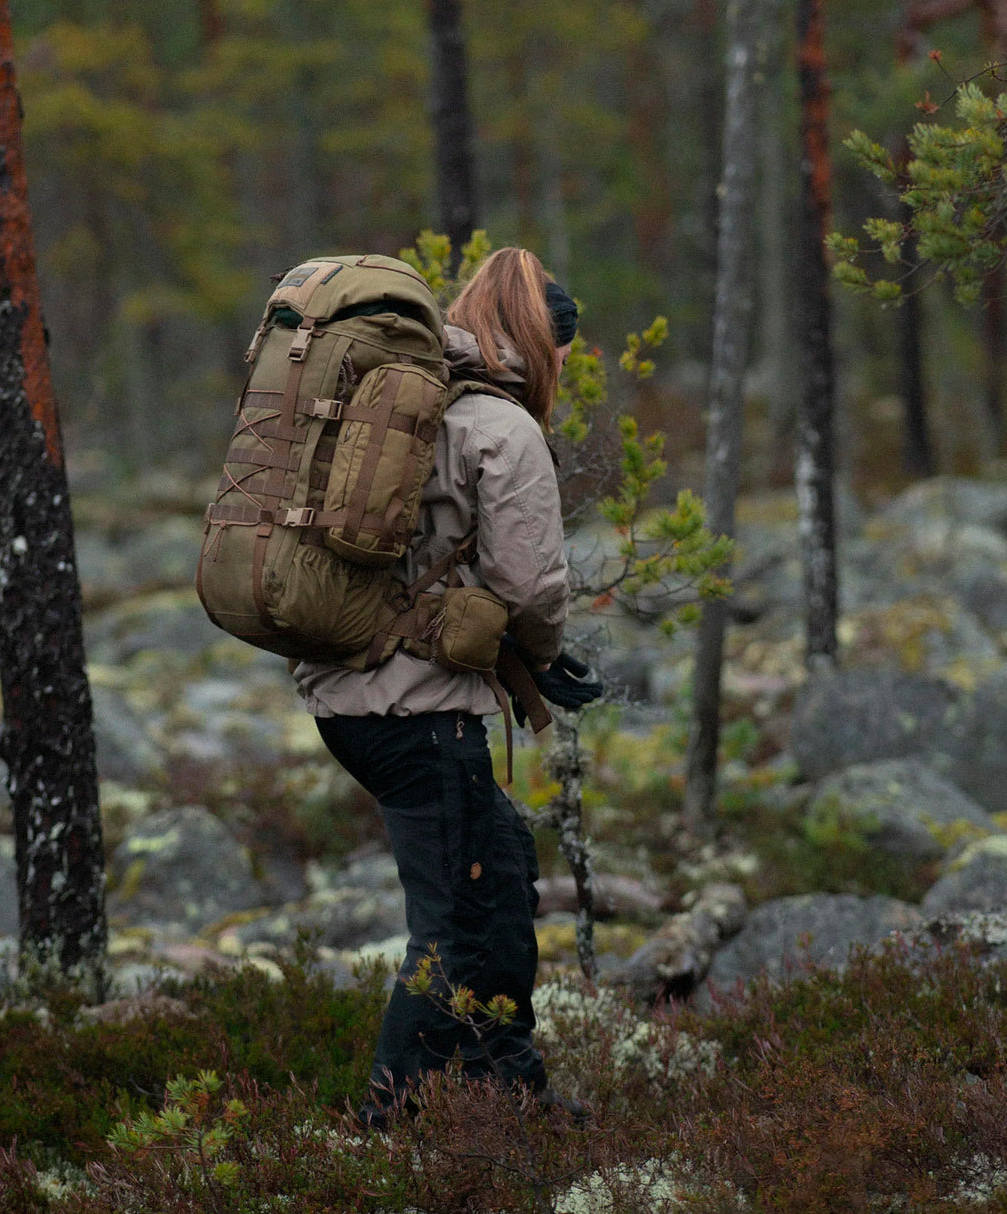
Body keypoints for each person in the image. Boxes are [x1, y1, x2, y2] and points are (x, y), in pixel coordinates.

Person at [292, 247, 602, 1128]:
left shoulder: (404, 398)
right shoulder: (501, 427)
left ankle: (506, 1090)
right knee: (454, 922)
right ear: (541, 341)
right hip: (420, 710)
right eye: (565, 351)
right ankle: (385, 1127)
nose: (565, 366)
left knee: (499, 875)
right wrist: (543, 654)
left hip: (351, 695)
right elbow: (530, 587)